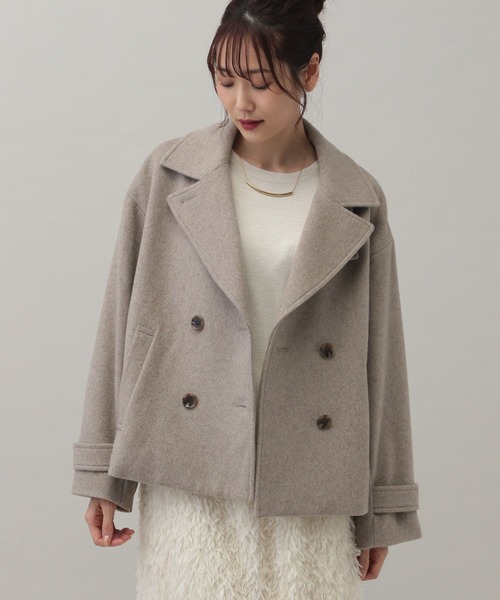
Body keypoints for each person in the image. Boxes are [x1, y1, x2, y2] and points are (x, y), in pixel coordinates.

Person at [72, 1, 422, 598]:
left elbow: (380, 356)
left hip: (309, 482)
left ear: (310, 72)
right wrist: (102, 471)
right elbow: (122, 325)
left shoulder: (357, 198)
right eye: (225, 79)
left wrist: (382, 508)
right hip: (190, 472)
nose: (240, 102)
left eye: (260, 83)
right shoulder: (167, 175)